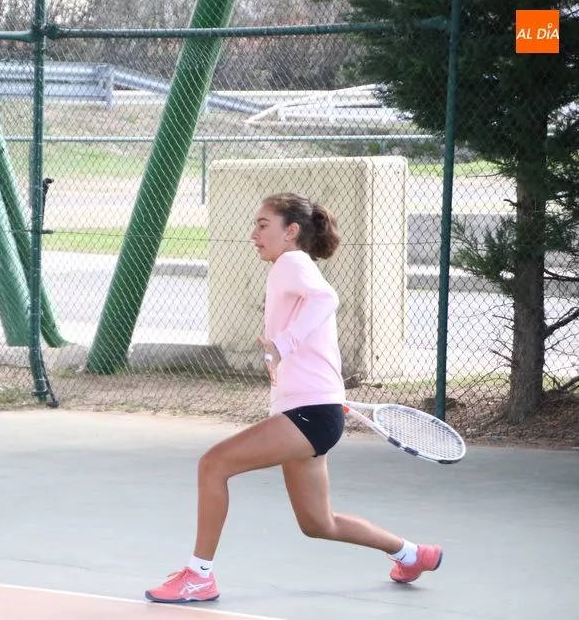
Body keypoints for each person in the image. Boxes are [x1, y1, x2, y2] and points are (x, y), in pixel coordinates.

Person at [144, 192, 442, 605]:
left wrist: (282, 345)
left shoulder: (291, 262)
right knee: (319, 523)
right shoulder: (291, 268)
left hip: (310, 415)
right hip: (315, 411)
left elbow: (327, 299)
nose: (253, 234)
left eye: (262, 225)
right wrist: (285, 359)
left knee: (213, 465)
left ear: (291, 231)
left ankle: (199, 576)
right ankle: (412, 554)